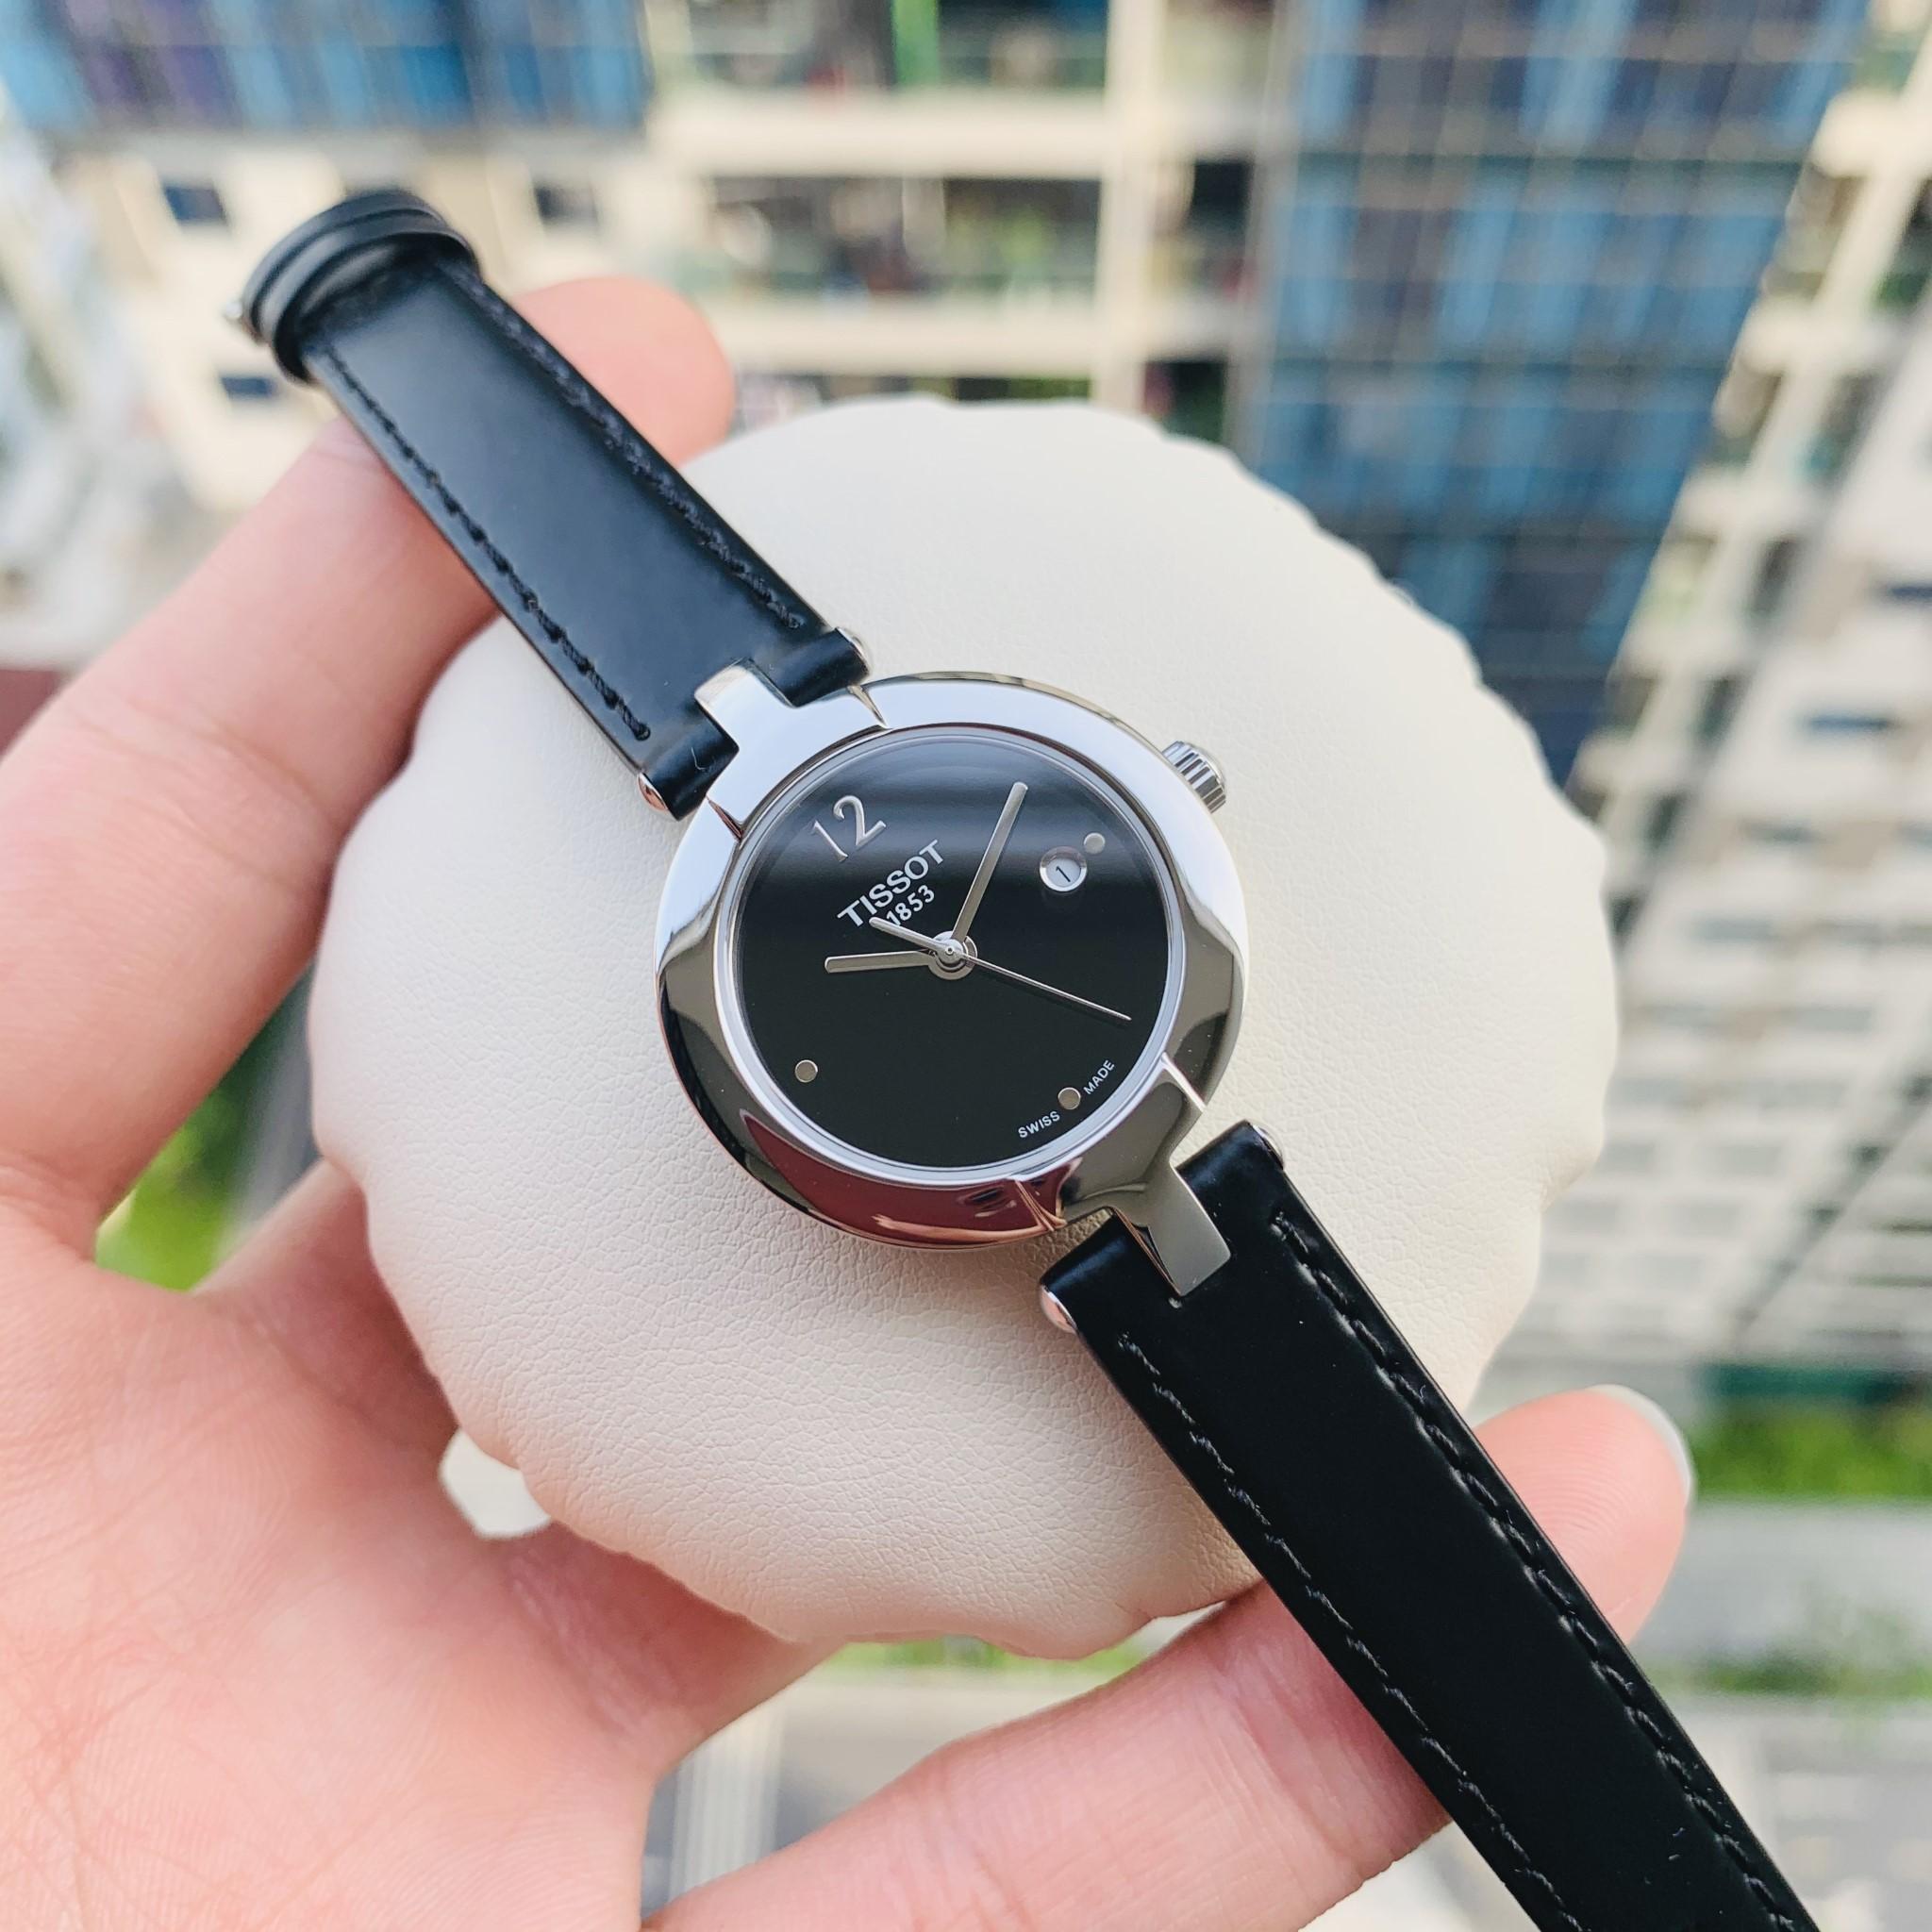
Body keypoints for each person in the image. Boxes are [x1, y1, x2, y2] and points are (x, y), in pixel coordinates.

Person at [0, 278, 1690, 1929]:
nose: (950, 946)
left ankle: (354, 285)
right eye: (923, 947)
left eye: (965, 926)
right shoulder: (840, 1023)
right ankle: (350, 286)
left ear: (1161, 799)